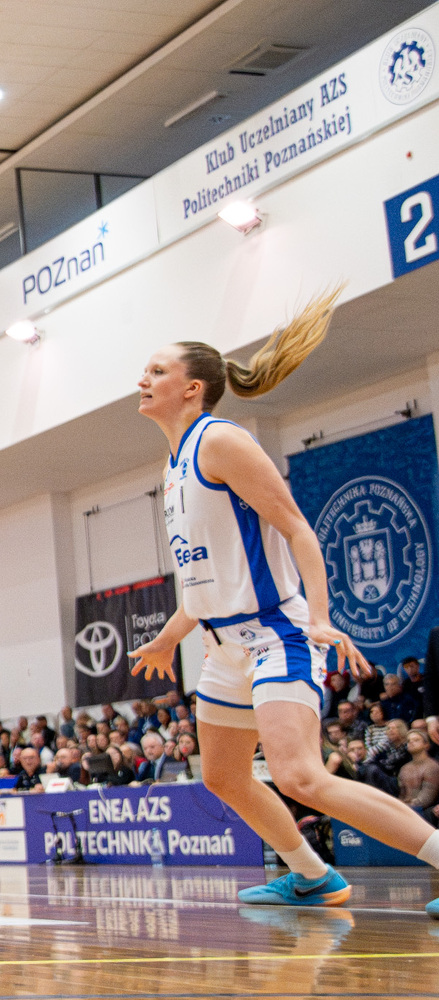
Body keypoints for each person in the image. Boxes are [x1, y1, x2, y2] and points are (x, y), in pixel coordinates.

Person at [127, 298, 439, 917]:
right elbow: (204, 580)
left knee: (300, 776)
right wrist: (169, 636)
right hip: (221, 648)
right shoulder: (173, 464)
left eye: (157, 371)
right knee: (222, 777)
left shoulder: (221, 441)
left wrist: (319, 617)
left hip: (276, 636)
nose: (143, 379)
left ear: (192, 389)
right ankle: (311, 876)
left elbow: (298, 529)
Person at [399, 730, 439, 820]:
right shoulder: (404, 768)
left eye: (416, 740)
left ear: (426, 745)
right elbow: (402, 794)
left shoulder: (432, 767)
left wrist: (404, 808)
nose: (411, 742)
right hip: (406, 808)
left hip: (423, 812)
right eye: (408, 741)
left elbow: (427, 798)